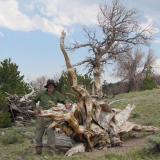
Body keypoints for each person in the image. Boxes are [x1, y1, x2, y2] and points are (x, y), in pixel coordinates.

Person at [31, 79, 71, 155]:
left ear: (54, 86)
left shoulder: (57, 94)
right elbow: (33, 100)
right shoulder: (41, 93)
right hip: (41, 116)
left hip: (51, 117)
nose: (51, 86)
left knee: (51, 134)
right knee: (39, 134)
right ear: (47, 86)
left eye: (52, 85)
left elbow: (64, 99)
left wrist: (67, 103)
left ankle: (51, 150)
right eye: (49, 85)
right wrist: (34, 109)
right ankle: (38, 150)